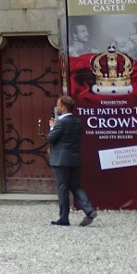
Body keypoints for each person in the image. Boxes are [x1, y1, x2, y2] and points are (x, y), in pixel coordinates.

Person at [46, 95, 98, 227]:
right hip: (75, 158)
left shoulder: (62, 123)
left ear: (63, 108)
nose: (56, 107)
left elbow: (50, 138)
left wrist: (52, 127)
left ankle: (64, 218)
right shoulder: (77, 122)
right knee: (75, 186)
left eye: (58, 105)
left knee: (62, 188)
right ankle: (89, 209)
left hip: (61, 160)